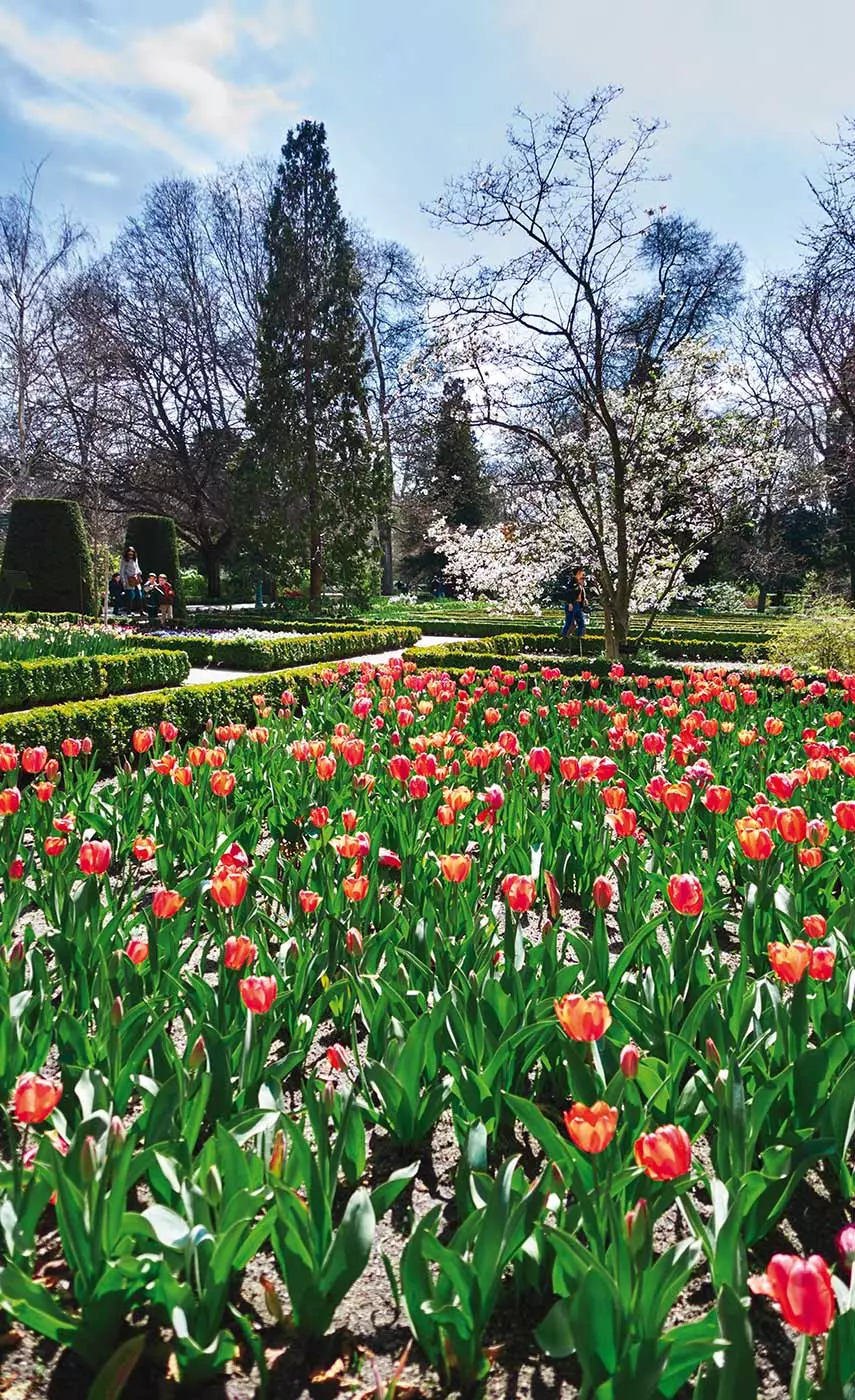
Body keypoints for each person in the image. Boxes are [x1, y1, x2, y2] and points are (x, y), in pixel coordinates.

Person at [562, 565, 588, 646]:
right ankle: (563, 638)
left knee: (581, 623)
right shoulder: (572, 582)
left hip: (578, 605)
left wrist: (584, 600)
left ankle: (580, 639)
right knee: (569, 622)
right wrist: (569, 603)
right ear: (578, 573)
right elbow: (568, 593)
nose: (583, 575)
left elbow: (581, 593)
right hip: (573, 604)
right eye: (581, 573)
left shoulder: (579, 582)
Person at [119, 547, 144, 614]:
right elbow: (122, 571)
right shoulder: (124, 560)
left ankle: (141, 611)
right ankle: (128, 611)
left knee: (139, 595)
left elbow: (137, 567)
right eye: (129, 554)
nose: (130, 556)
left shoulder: (135, 559)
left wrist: (139, 572)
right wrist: (123, 581)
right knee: (131, 595)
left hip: (136, 579)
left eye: (132, 554)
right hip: (128, 579)